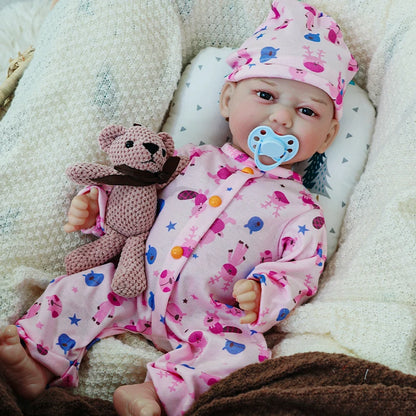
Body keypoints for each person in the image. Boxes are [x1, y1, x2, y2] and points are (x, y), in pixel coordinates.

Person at [0, 1, 358, 415]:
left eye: (306, 111)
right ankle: (38, 362)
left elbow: (302, 270)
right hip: (133, 283)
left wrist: (264, 291)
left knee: (241, 356)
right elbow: (136, 192)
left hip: (209, 317)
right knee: (77, 289)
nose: (280, 118)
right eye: (264, 95)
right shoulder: (188, 159)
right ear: (226, 99)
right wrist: (96, 205)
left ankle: (152, 394)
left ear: (328, 135)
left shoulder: (302, 211)